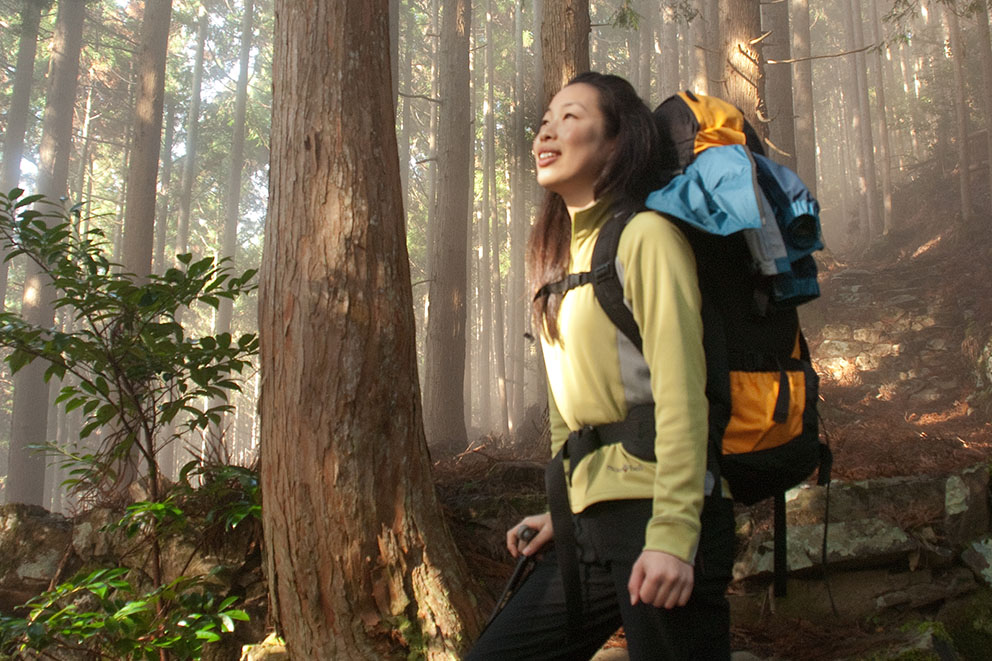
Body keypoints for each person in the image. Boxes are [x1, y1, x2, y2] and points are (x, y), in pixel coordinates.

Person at [466, 72, 735, 660]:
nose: (547, 132)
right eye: (544, 121)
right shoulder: (558, 261)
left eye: (570, 117)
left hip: (658, 511)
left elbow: (684, 396)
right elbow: (569, 414)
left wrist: (673, 534)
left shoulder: (647, 238)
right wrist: (562, 506)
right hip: (588, 524)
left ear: (616, 142)